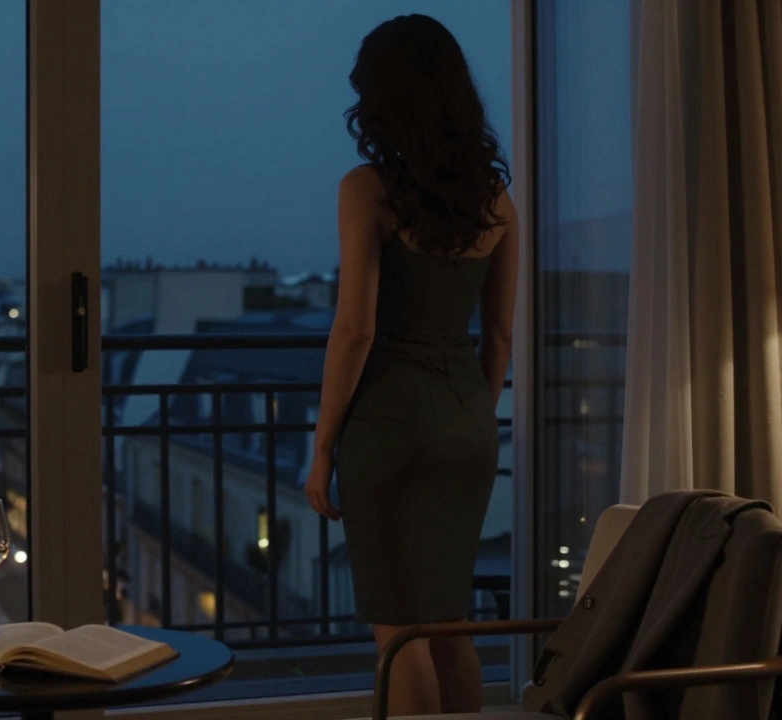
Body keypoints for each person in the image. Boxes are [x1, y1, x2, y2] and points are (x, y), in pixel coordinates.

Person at [304, 14, 517, 717]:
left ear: (380, 100)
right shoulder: (496, 200)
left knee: (399, 635)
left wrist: (323, 445)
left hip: (391, 425)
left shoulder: (367, 189)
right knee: (451, 623)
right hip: (467, 423)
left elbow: (355, 329)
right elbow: (501, 337)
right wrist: (473, 415)